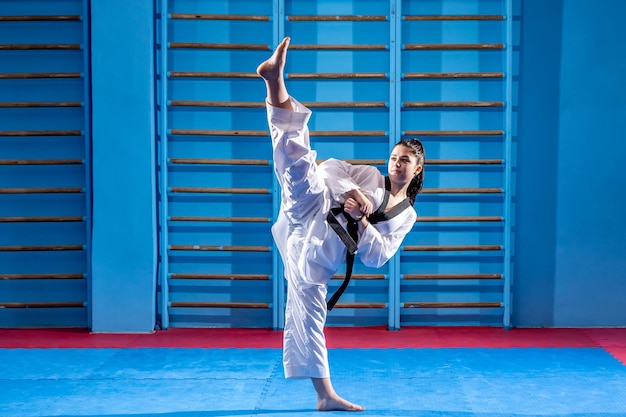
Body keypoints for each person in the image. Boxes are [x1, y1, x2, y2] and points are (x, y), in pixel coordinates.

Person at [257, 37, 425, 412]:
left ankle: (324, 395)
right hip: (311, 208)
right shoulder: (368, 175)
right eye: (394, 157)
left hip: (319, 250)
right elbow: (329, 167)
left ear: (417, 170)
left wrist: (362, 220)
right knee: (299, 165)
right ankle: (274, 82)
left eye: (405, 161)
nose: (396, 163)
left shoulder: (407, 215)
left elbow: (378, 257)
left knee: (310, 314)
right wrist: (353, 192)